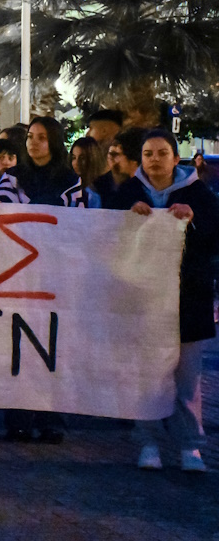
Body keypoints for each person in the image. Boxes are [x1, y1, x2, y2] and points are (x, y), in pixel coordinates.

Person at [111, 129, 218, 473]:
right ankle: (149, 442)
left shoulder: (198, 194)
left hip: (187, 301)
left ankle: (191, 446)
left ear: (175, 158)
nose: (155, 160)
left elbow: (213, 236)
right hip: (141, 300)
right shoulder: (127, 192)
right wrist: (128, 216)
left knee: (186, 379)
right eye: (147, 154)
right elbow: (105, 237)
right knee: (146, 376)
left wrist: (193, 220)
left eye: (161, 153)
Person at [0, 115, 79, 443]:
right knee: (19, 344)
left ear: (54, 142)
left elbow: (80, 224)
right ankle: (17, 417)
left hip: (56, 278)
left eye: (42, 137)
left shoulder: (72, 182)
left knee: (53, 346)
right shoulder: (12, 179)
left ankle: (51, 418)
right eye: (30, 136)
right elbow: (3, 218)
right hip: (18, 276)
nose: (34, 142)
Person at [94, 128, 143, 208]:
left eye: (116, 154)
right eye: (112, 154)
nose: (111, 159)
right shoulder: (97, 186)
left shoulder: (148, 189)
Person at [69, 136, 107, 208]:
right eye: (74, 158)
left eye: (82, 158)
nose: (77, 163)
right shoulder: (69, 187)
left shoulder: (102, 189)